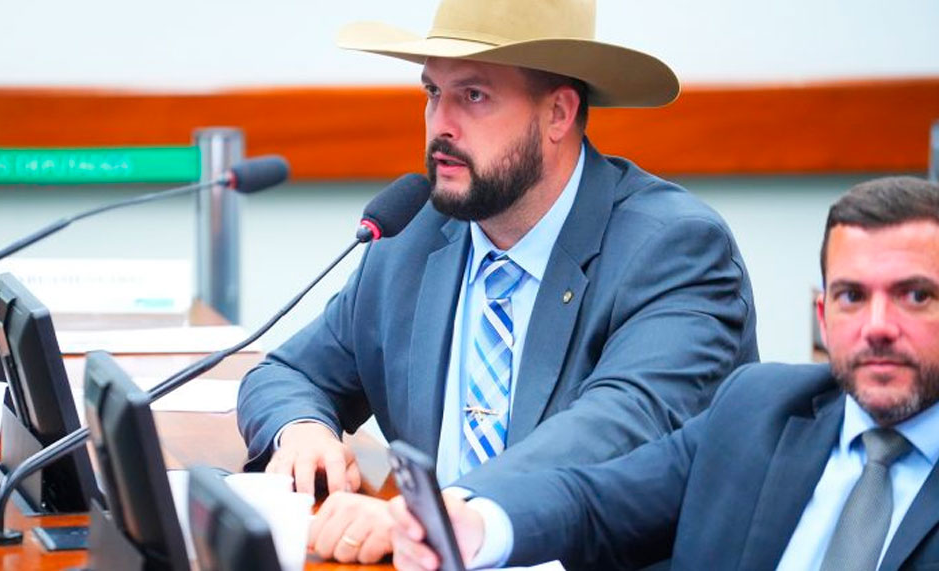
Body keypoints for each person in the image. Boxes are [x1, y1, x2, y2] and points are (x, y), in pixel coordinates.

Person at [236, 0, 758, 564]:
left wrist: (437, 516)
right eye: (433, 92)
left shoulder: (673, 249)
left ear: (559, 113)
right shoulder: (416, 234)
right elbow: (288, 374)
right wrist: (301, 430)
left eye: (475, 95)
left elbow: (618, 428)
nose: (441, 125)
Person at [391, 175, 939, 571]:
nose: (878, 327)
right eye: (851, 296)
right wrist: (478, 525)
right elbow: (597, 504)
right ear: (822, 316)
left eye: (915, 296)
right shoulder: (762, 410)